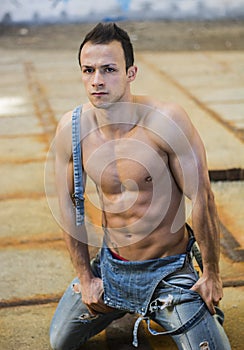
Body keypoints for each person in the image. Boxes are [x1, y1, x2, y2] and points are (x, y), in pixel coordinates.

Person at [49, 22, 231, 350]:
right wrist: (87, 277)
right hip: (112, 269)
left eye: (109, 69)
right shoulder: (73, 128)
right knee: (60, 340)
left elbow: (202, 195)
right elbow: (68, 200)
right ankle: (122, 303)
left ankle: (187, 311)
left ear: (131, 73)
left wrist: (212, 275)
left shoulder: (165, 121)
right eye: (88, 70)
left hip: (169, 273)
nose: (97, 80)